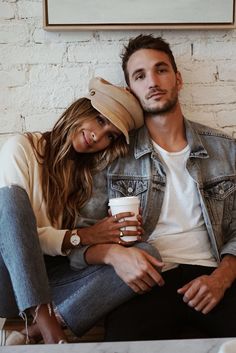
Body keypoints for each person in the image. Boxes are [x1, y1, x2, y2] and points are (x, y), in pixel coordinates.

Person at [102, 34, 236, 340]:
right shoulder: (115, 158)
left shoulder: (226, 150)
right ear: (130, 91)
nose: (152, 81)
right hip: (145, 284)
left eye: (161, 70)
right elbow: (83, 234)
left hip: (214, 278)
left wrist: (221, 278)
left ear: (178, 79)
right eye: (140, 75)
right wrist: (114, 254)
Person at [0, 76, 145, 345]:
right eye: (100, 121)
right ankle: (49, 330)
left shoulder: (87, 177)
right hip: (10, 282)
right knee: (9, 201)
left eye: (109, 136)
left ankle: (33, 332)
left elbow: (75, 257)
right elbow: (12, 232)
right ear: (82, 108)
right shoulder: (21, 148)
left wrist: (112, 244)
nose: (98, 137)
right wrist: (82, 235)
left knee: (146, 256)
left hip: (55, 280)